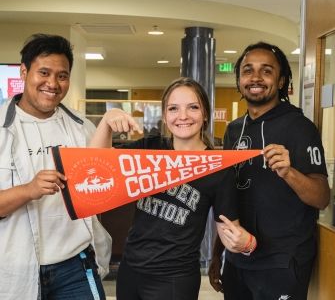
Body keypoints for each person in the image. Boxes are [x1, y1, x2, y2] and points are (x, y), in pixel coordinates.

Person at [89, 77, 256, 300]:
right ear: (165, 117)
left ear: (205, 114)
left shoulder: (217, 167)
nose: (183, 116)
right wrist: (107, 120)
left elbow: (229, 233)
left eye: (193, 107)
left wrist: (246, 243)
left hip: (174, 279)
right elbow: (95, 166)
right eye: (174, 108)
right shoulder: (150, 148)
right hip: (131, 270)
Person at [208, 42, 330, 300]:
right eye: (248, 70)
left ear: (281, 79)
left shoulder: (300, 127)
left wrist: (289, 173)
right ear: (239, 79)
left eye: (266, 71)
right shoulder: (233, 129)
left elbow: (321, 197)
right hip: (239, 260)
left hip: (282, 263)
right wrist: (218, 253)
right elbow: (227, 199)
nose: (255, 78)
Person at [0, 34, 112, 300]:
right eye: (44, 73)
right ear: (24, 71)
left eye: (62, 76)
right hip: (14, 266)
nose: (52, 83)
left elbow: (104, 188)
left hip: (75, 264)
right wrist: (29, 190)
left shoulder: (82, 128)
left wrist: (109, 122)